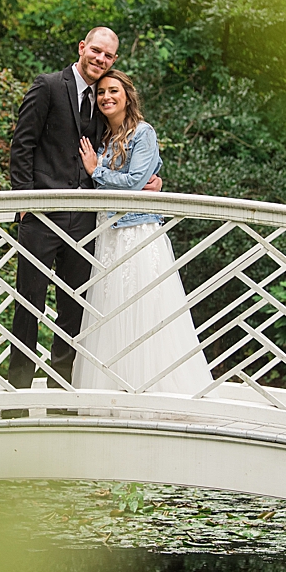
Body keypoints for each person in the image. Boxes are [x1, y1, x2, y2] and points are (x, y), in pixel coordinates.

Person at [7, 27, 161, 395]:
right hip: (41, 218)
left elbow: (124, 153)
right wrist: (24, 203)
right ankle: (18, 395)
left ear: (114, 61)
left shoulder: (104, 102)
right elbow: (22, 145)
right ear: (82, 48)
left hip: (86, 223)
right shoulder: (47, 86)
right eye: (96, 51)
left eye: (108, 56)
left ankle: (60, 392)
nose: (100, 59)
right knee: (29, 306)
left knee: (72, 310)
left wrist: (152, 181)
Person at [74, 71, 214, 395]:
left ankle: (153, 387)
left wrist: (97, 171)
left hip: (137, 231)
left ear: (128, 96)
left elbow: (137, 181)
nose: (106, 97)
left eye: (114, 91)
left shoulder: (143, 132)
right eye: (101, 93)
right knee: (110, 305)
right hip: (109, 233)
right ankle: (113, 386)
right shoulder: (105, 138)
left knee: (146, 303)